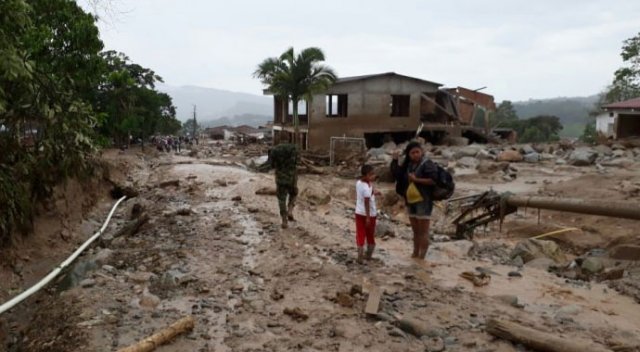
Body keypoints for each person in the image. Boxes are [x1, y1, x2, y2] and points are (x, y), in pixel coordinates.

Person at [391, 141, 437, 259]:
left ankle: (422, 258)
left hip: (424, 201)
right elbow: (397, 174)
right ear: (408, 155)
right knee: (416, 231)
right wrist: (395, 160)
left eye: (417, 152)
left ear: (421, 152)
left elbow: (433, 180)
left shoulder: (427, 164)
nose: (416, 154)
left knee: (423, 232)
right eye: (413, 153)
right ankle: (415, 254)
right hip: (411, 201)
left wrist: (416, 180)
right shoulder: (409, 165)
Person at [258, 143, 299, 228]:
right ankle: (290, 210)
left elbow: (271, 165)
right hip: (292, 177)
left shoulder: (275, 150)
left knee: (281, 199)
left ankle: (284, 220)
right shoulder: (294, 148)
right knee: (294, 193)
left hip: (280, 178)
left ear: (280, 138)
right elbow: (298, 162)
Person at [355, 164, 380, 264]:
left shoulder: (359, 183)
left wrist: (374, 192)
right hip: (369, 214)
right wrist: (368, 218)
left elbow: (368, 193)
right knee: (370, 234)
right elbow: (366, 202)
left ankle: (360, 255)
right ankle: (368, 255)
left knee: (360, 233)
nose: (373, 176)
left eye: (373, 174)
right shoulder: (366, 187)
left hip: (358, 212)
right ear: (365, 176)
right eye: (371, 174)